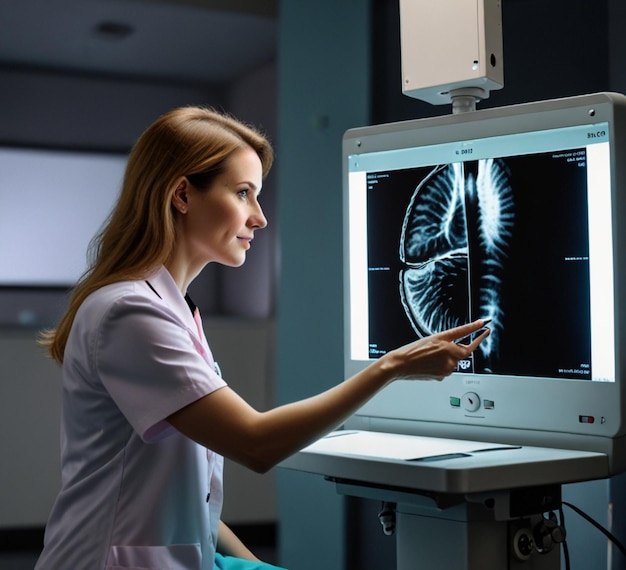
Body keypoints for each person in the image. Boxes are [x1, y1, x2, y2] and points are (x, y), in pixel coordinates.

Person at [35, 106, 490, 570]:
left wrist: (254, 565)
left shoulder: (174, 309)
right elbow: (256, 444)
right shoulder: (128, 313)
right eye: (243, 193)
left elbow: (196, 501)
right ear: (181, 195)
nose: (259, 218)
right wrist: (391, 367)